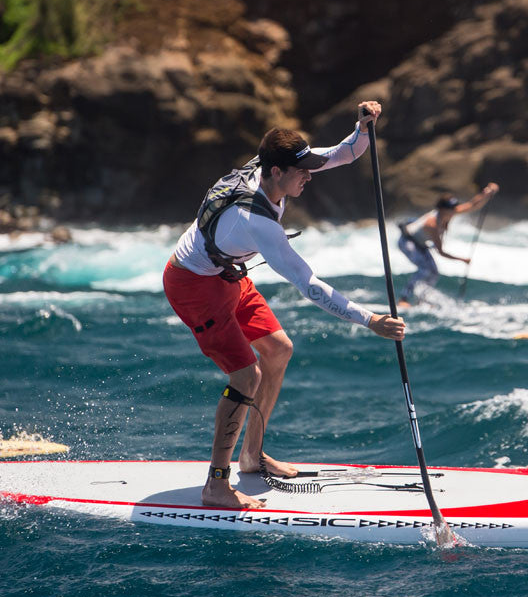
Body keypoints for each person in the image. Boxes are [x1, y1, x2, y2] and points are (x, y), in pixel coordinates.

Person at [163, 101, 405, 509]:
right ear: (276, 171)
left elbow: (342, 155)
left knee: (278, 349)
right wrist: (370, 320)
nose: (309, 175)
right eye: (302, 170)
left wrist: (363, 128)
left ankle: (252, 457)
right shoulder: (254, 220)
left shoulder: (275, 167)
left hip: (228, 275)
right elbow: (308, 285)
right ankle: (216, 486)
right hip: (193, 285)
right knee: (246, 374)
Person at [395, 183, 499, 306]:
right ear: (442, 209)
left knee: (433, 272)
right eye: (450, 209)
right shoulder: (432, 224)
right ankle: (403, 299)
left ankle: (421, 300)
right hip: (408, 242)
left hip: (421, 244)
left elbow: (472, 205)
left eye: (454, 208)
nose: (453, 211)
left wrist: (486, 194)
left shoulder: (450, 212)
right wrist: (462, 259)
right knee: (424, 269)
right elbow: (441, 252)